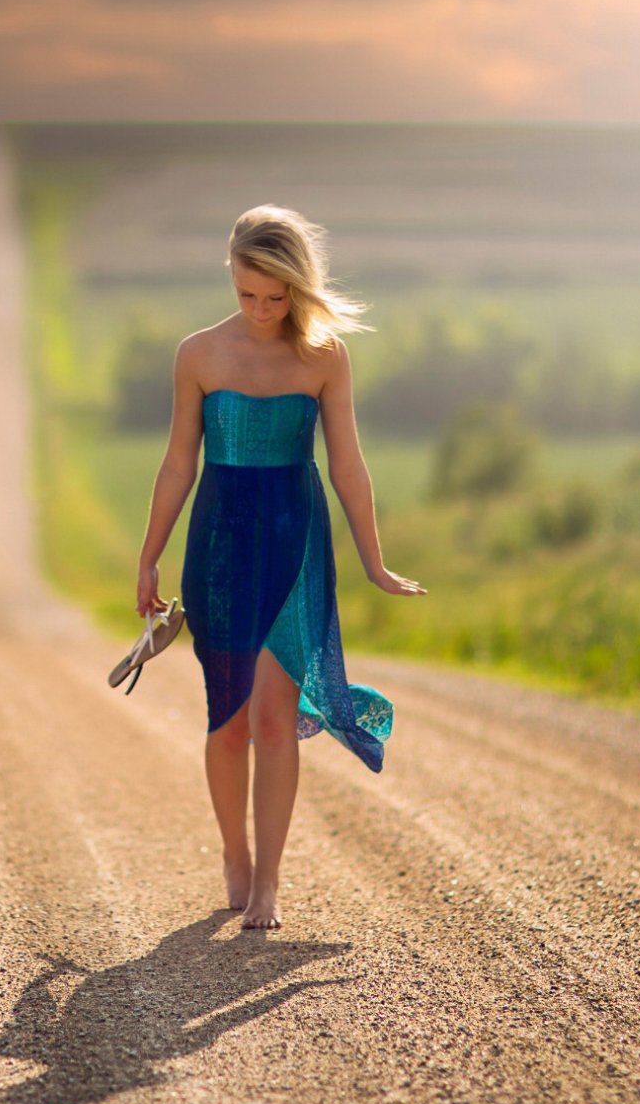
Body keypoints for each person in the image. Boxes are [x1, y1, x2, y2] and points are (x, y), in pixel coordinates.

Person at [135, 204, 426, 930]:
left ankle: (268, 881)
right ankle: (234, 854)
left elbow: (348, 464)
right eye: (248, 294)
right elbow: (177, 465)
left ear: (300, 286)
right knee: (229, 717)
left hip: (296, 543)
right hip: (220, 545)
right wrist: (149, 558)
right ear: (230, 277)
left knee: (272, 717)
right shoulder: (198, 355)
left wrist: (374, 560)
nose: (262, 310)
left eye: (277, 296)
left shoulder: (326, 356)